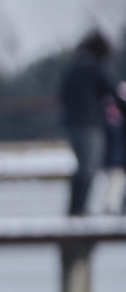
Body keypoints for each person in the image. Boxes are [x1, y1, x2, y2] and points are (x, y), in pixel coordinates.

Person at [58, 30, 122, 216]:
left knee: (84, 166)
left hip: (71, 122)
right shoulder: (96, 68)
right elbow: (113, 91)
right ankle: (78, 208)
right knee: (88, 167)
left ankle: (76, 207)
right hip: (89, 123)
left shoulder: (74, 66)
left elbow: (62, 94)